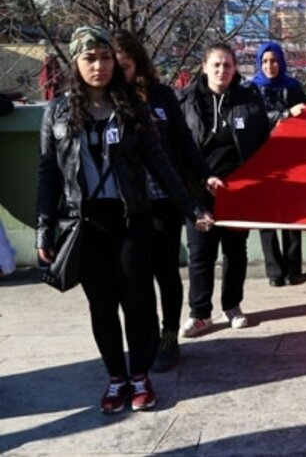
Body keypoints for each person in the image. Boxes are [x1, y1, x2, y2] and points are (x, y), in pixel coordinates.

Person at [36, 26, 213, 413]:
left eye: (104, 57)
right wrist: (43, 228)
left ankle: (140, 375)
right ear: (75, 62)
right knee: (101, 305)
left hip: (131, 219)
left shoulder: (132, 107)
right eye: (89, 58)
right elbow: (48, 172)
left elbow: (160, 163)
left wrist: (192, 206)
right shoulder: (58, 112)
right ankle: (116, 377)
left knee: (137, 301)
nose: (98, 66)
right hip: (86, 224)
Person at [111, 30, 218, 372]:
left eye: (123, 66)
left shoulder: (161, 96)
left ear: (137, 64)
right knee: (132, 275)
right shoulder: (104, 100)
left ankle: (168, 334)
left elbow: (184, 142)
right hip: (123, 204)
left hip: (164, 198)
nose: (115, 72)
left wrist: (203, 175)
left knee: (165, 270)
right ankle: (143, 338)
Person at [178, 43, 271, 337]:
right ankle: (199, 314)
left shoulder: (249, 100)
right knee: (200, 252)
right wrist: (200, 181)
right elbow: (176, 148)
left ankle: (232, 306)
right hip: (198, 189)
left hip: (236, 190)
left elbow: (262, 146)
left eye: (228, 65)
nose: (222, 71)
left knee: (235, 251)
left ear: (235, 69)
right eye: (216, 65)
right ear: (204, 66)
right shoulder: (185, 101)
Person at [248, 41, 306, 286]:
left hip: (290, 158)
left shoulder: (293, 86)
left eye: (273, 61)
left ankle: (294, 268)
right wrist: (285, 115)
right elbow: (254, 119)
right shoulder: (251, 88)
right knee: (266, 218)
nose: (269, 66)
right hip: (262, 159)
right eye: (264, 61)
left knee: (293, 216)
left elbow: (305, 117)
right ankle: (274, 270)